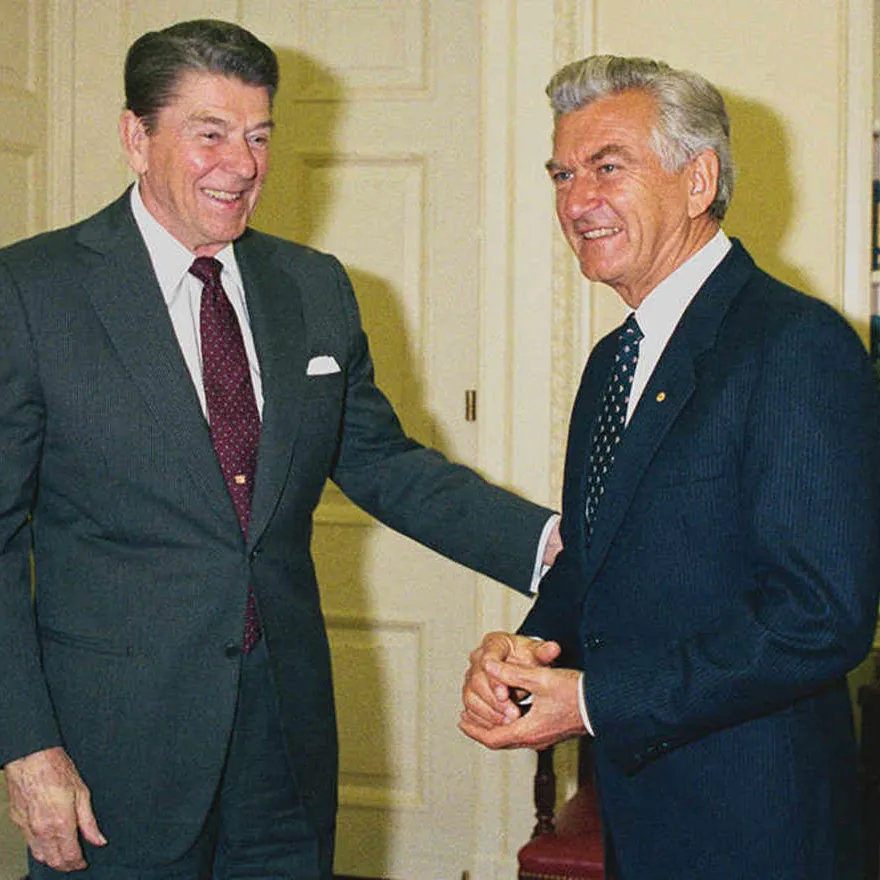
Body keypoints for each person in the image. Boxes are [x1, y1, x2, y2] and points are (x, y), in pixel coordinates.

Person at [0, 19, 561, 880]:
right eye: (210, 133)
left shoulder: (314, 287)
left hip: (285, 743)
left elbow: (382, 462)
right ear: (134, 137)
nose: (242, 163)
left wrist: (551, 547)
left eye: (259, 135)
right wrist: (24, 745)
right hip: (112, 751)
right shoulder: (31, 292)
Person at [459, 55, 880, 879]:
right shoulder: (614, 361)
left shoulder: (795, 346)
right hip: (643, 813)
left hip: (761, 826)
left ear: (698, 181)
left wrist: (587, 701)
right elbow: (595, 564)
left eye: (607, 167)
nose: (577, 202)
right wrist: (524, 656)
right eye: (563, 174)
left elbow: (821, 614)